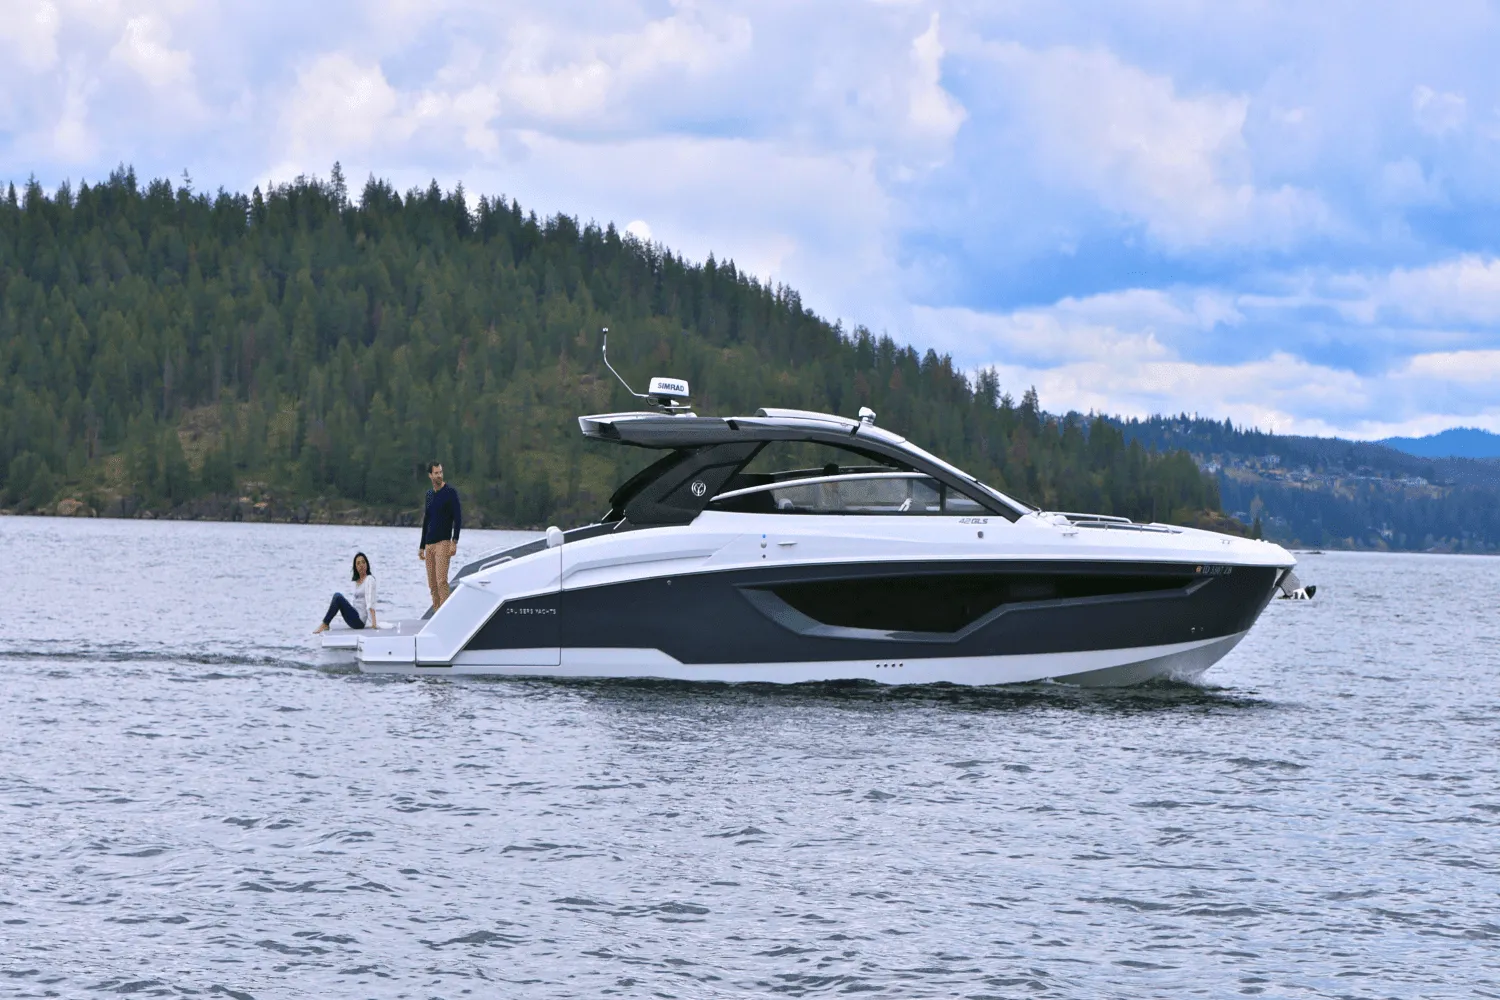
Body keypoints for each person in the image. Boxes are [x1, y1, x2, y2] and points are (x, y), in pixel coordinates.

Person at [420, 460, 461, 610]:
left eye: (441, 472)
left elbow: (458, 518)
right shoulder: (429, 495)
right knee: (432, 584)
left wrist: (454, 541)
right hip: (429, 543)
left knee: (441, 581)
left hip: (443, 543)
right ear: (430, 475)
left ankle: (446, 614)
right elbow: (426, 520)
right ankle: (437, 613)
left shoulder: (450, 493)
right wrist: (422, 546)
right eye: (436, 473)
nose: (439, 475)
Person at [314, 552, 378, 633]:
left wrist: (374, 623)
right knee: (338, 598)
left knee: (338, 596)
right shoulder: (357, 582)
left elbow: (371, 601)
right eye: (358, 563)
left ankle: (325, 623)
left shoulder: (369, 579)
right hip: (354, 617)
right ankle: (325, 623)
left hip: (359, 621)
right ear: (355, 567)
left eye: (363, 562)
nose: (361, 565)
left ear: (367, 564)